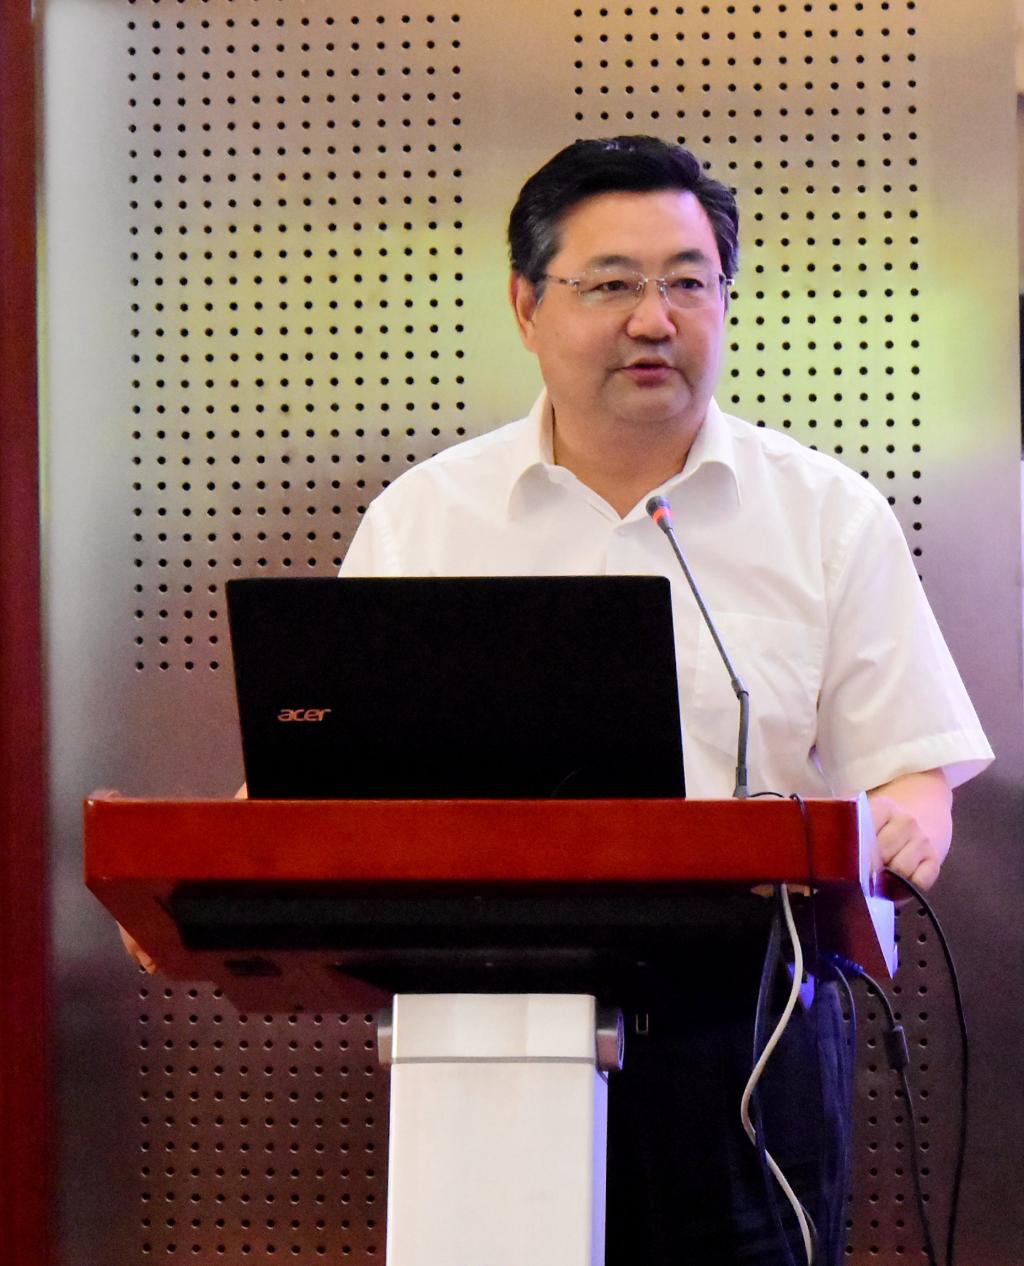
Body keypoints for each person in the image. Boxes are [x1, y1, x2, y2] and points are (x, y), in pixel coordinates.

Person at [337, 135, 993, 1264]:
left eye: (688, 283)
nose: (655, 319)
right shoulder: (427, 520)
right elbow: (334, 774)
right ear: (526, 304)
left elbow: (910, 768)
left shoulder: (824, 515)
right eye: (611, 285)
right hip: (481, 1023)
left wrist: (905, 821)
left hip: (749, 1031)